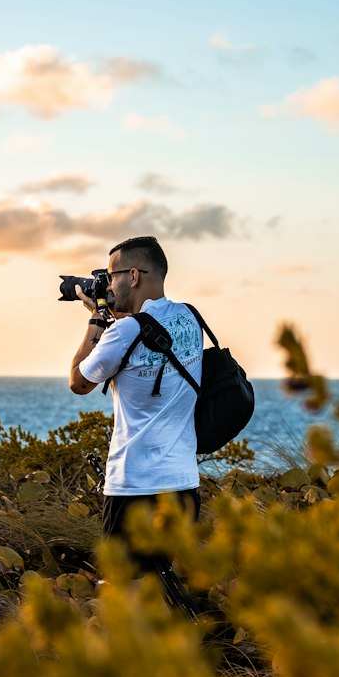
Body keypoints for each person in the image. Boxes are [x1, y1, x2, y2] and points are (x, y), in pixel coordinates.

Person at [69, 235, 203, 565]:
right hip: (183, 484)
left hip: (135, 487)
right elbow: (145, 335)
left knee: (127, 592)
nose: (108, 284)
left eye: (112, 275)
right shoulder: (191, 318)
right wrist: (113, 313)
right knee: (167, 593)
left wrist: (96, 318)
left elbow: (79, 381)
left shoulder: (121, 332)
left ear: (133, 276)